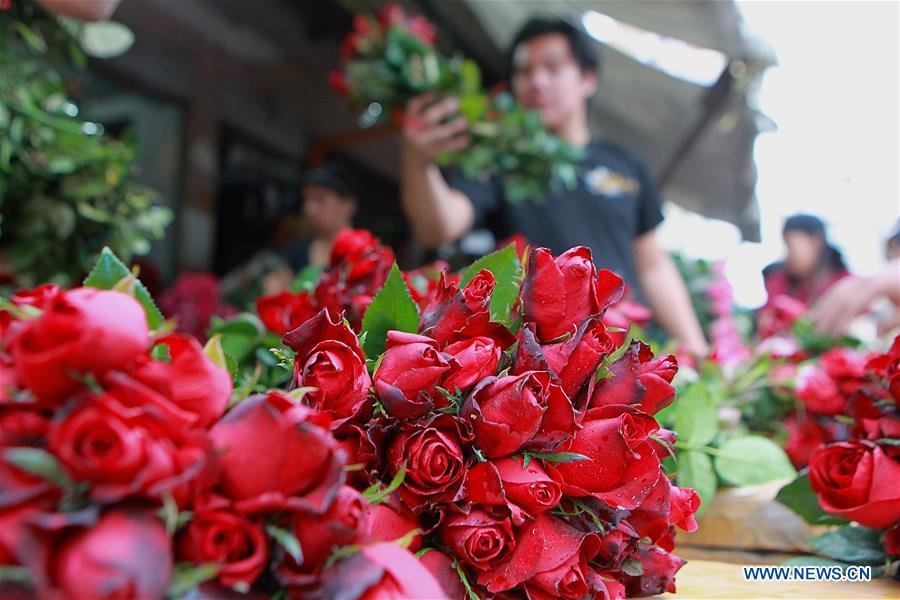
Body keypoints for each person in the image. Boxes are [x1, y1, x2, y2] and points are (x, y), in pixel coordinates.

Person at [399, 17, 708, 356]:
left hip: (622, 344)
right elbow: (439, 226)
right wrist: (419, 161)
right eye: (524, 71)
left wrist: (695, 348)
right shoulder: (501, 162)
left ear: (587, 79)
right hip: (538, 356)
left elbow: (653, 265)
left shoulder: (625, 164)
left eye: (553, 66)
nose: (537, 81)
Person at [260, 166, 358, 294]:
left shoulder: (365, 258)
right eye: (306, 199)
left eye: (319, 199)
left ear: (347, 205)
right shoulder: (296, 253)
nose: (308, 209)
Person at [761, 214, 850, 309]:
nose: (788, 257)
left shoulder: (847, 285)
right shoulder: (782, 283)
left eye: (792, 248)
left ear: (816, 241)